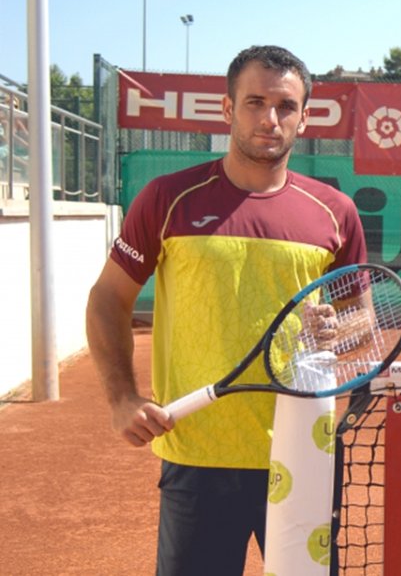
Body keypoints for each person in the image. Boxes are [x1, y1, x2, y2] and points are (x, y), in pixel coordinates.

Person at [86, 45, 367, 575]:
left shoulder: (336, 214)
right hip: (198, 452)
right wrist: (121, 396)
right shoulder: (168, 198)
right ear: (228, 109)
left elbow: (363, 323)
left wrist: (338, 331)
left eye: (286, 106)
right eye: (255, 102)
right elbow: (108, 298)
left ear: (305, 118)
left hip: (304, 453)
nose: (270, 119)